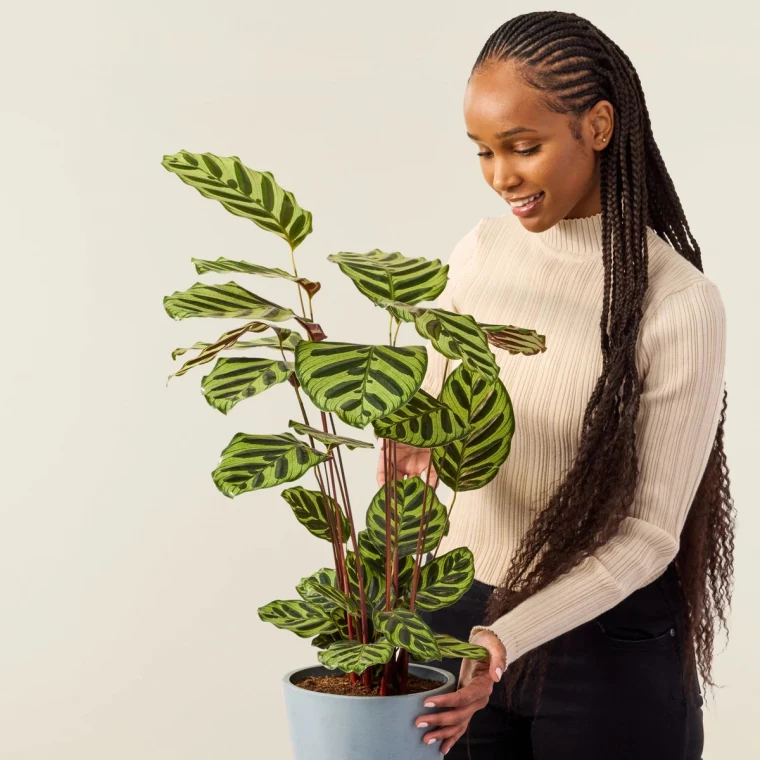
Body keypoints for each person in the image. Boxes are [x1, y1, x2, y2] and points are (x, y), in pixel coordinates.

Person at [375, 11, 734, 759]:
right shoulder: (479, 251)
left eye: (524, 147)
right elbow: (429, 423)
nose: (501, 176)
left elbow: (646, 536)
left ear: (597, 126)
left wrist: (500, 640)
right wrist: (408, 445)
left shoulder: (677, 302)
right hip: (455, 618)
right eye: (483, 151)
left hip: (603, 646)